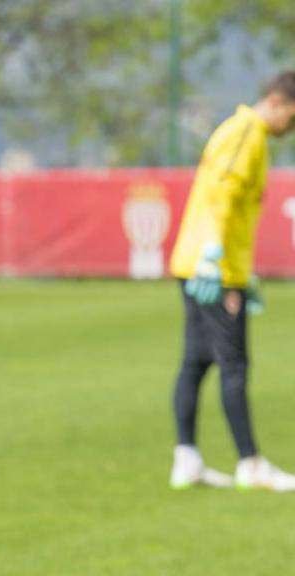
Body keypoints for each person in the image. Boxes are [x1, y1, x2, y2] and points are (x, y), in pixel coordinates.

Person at [168, 71, 295, 491]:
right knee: (234, 364)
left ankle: (186, 458)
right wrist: (216, 260)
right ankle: (250, 463)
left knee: (197, 360)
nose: (291, 126)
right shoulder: (248, 134)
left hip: (202, 264)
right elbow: (221, 196)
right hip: (212, 270)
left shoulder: (239, 130)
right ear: (277, 101)